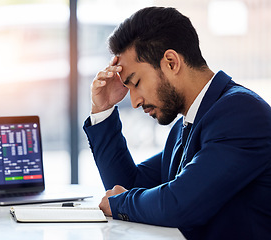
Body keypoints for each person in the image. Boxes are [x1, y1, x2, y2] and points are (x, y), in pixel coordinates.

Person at [83, 6, 271, 240]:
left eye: (136, 82)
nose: (134, 101)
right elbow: (126, 188)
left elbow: (179, 204)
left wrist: (121, 202)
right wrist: (103, 110)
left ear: (171, 62)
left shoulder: (242, 114)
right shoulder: (185, 127)